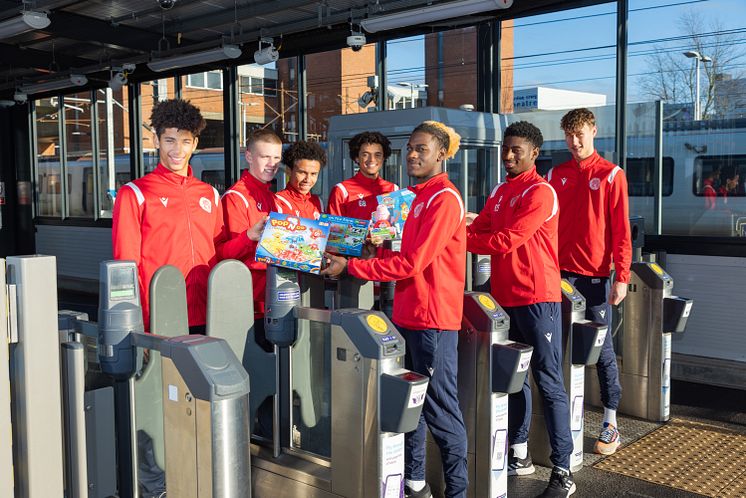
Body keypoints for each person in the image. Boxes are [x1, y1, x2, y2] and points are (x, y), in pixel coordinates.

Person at [322, 121, 468, 498]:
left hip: (432, 319)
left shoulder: (444, 198)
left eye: (422, 149)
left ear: (442, 154)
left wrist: (351, 266)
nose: (414, 155)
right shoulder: (413, 198)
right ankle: (416, 482)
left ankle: (458, 491)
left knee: (440, 410)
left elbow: (412, 264)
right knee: (411, 404)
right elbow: (396, 253)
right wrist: (370, 251)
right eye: (411, 150)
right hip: (407, 314)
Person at [466, 121, 575, 498]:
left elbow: (504, 239)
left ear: (533, 153)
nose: (509, 155)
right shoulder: (499, 191)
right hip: (503, 299)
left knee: (548, 381)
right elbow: (480, 227)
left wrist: (454, 235)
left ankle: (563, 470)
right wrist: (463, 234)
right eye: (505, 148)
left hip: (538, 299)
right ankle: (519, 453)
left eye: (517, 150)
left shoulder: (541, 192)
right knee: (513, 379)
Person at [546, 108, 632, 456]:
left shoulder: (612, 175)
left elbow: (621, 231)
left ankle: (611, 422)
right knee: (559, 350)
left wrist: (621, 277)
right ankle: (564, 421)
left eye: (580, 133)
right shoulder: (554, 174)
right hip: (559, 277)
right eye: (569, 135)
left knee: (602, 353)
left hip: (596, 278)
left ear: (594, 131)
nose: (575, 141)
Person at [112, 99, 224, 334]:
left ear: (195, 144)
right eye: (170, 140)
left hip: (209, 313)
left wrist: (250, 237)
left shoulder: (210, 194)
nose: (177, 150)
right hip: (161, 315)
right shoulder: (135, 193)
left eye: (185, 141)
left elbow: (220, 251)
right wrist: (139, 322)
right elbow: (127, 264)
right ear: (156, 141)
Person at [221, 129, 283, 320]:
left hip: (273, 298)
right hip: (249, 304)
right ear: (249, 156)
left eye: (276, 158)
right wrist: (249, 236)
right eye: (265, 157)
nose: (272, 164)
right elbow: (223, 255)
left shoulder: (274, 199)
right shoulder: (235, 198)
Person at [326, 131, 398, 220]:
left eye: (377, 155)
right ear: (357, 157)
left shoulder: (394, 190)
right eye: (365, 155)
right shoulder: (341, 191)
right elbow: (334, 229)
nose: (372, 159)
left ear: (383, 158)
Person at [275, 141, 325, 219]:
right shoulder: (278, 201)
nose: (307, 179)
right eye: (302, 172)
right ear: (289, 170)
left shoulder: (317, 202)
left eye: (313, 174)